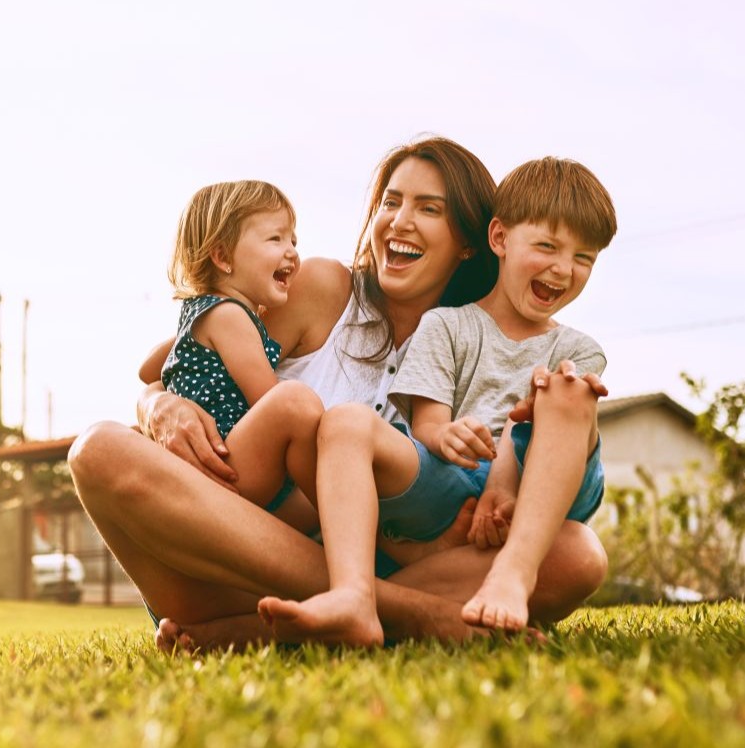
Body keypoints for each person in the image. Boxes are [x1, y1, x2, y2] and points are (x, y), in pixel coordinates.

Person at [69, 136, 610, 650]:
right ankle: (406, 613)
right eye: (391, 202)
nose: (399, 221)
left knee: (576, 554)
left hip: (392, 567)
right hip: (227, 559)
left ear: (470, 243)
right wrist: (159, 405)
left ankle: (282, 623)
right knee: (97, 449)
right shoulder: (321, 288)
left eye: (428, 208)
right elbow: (190, 353)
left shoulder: (483, 344)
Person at [258, 157, 616, 645]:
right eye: (548, 247)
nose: (562, 269)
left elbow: (535, 428)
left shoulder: (578, 349)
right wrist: (445, 434)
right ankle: (353, 597)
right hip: (455, 481)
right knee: (345, 422)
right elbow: (426, 423)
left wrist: (506, 485)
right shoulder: (446, 325)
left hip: (542, 487)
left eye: (583, 259)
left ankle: (513, 574)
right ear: (499, 240)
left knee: (566, 392)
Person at [159, 180, 321, 517]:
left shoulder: (200, 312)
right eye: (275, 239)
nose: (291, 250)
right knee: (296, 403)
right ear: (222, 256)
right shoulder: (230, 316)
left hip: (221, 467)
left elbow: (150, 369)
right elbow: (268, 398)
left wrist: (164, 395)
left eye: (293, 239)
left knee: (325, 504)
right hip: (227, 465)